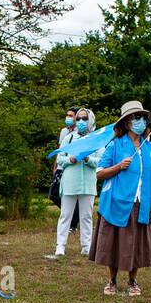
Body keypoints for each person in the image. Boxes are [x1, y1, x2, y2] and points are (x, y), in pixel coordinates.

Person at [90, 100, 151, 297]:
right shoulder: (115, 145)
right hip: (117, 202)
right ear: (127, 122)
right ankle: (111, 280)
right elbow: (99, 173)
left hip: (142, 203)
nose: (141, 121)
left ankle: (132, 280)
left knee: (136, 244)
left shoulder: (149, 148)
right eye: (136, 117)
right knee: (114, 243)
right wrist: (118, 166)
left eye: (143, 117)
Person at [48, 107, 97, 258]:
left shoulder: (95, 139)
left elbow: (101, 161)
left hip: (88, 183)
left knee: (86, 216)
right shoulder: (69, 138)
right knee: (65, 215)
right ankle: (60, 246)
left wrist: (88, 159)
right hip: (69, 182)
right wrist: (71, 159)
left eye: (85, 119)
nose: (81, 121)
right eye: (79, 119)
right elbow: (59, 158)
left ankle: (86, 247)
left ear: (91, 120)